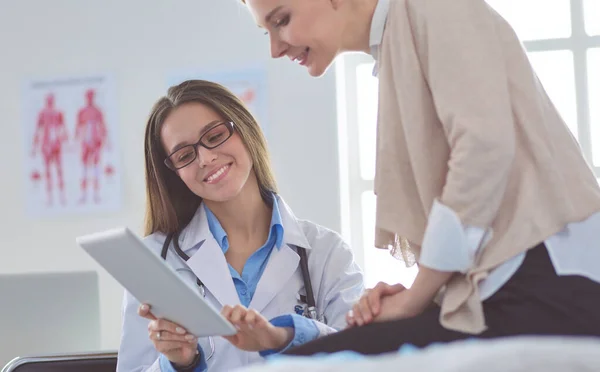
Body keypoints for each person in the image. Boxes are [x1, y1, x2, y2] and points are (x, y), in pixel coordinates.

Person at [242, 0, 600, 355]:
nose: (275, 48)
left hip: (553, 281)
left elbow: (483, 149)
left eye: (281, 20)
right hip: (504, 287)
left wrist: (418, 297)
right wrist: (425, 295)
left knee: (312, 361)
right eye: (266, 32)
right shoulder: (398, 44)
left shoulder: (434, 8)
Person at [116, 80, 364, 371]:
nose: (206, 158)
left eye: (215, 136)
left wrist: (287, 336)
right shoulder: (154, 261)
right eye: (185, 155)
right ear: (175, 174)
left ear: (244, 128)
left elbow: (361, 358)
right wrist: (179, 364)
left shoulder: (327, 253)